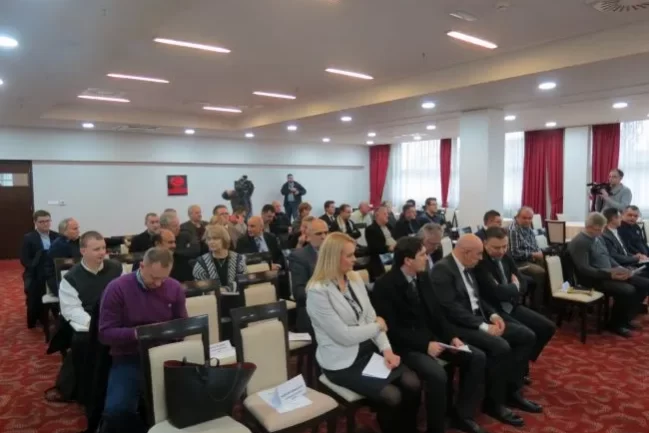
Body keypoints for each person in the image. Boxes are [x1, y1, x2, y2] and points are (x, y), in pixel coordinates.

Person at [306, 232, 421, 433]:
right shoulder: (317, 292)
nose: (355, 259)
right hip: (341, 361)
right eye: (349, 255)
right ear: (333, 258)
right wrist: (377, 326)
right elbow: (344, 336)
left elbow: (370, 316)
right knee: (392, 395)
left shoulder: (354, 278)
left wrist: (386, 350)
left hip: (366, 350)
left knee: (413, 383)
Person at [373, 237, 489, 433]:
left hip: (429, 337)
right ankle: (436, 428)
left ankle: (462, 414)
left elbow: (437, 314)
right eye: (422, 255)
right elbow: (391, 329)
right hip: (405, 345)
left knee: (476, 357)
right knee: (438, 375)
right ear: (408, 260)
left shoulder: (423, 277)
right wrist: (425, 345)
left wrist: (452, 337)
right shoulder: (385, 285)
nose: (427, 258)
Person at [432, 234, 540, 427]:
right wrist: (483, 326)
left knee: (526, 336)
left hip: (478, 319)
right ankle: (492, 403)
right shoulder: (442, 270)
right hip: (458, 326)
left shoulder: (468, 264)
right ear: (466, 253)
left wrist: (493, 315)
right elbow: (451, 308)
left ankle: (511, 391)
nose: (481, 258)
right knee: (500, 346)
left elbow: (477, 298)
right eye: (478, 254)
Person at [99, 247, 187, 431]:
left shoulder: (174, 287)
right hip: (130, 356)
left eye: (163, 278)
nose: (158, 283)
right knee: (117, 411)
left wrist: (171, 333)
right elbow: (105, 334)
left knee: (192, 400)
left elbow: (182, 325)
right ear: (141, 266)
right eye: (153, 277)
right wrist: (138, 334)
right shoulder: (117, 288)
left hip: (165, 354)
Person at [48, 231, 123, 402]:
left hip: (115, 318)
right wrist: (96, 324)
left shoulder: (116, 268)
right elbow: (71, 310)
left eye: (103, 248)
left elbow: (125, 295)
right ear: (83, 251)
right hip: (86, 322)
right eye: (96, 249)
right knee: (82, 341)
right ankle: (86, 390)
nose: (102, 252)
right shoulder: (71, 277)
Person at [474, 228, 556, 377]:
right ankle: (517, 370)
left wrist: (513, 288)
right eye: (496, 247)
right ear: (485, 244)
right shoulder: (480, 262)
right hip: (494, 310)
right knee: (527, 334)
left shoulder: (506, 256)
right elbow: (496, 293)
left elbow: (522, 282)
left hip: (511, 305)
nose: (501, 251)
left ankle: (520, 362)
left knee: (548, 327)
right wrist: (514, 287)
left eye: (504, 246)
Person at [567, 212, 646, 337]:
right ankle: (615, 324)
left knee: (644, 284)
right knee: (628, 290)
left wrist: (619, 268)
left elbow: (607, 257)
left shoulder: (597, 237)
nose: (602, 232)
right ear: (590, 227)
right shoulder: (581, 242)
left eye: (602, 229)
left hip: (608, 273)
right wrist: (610, 275)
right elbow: (584, 269)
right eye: (599, 229)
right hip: (593, 279)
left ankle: (625, 318)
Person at [289, 219, 329, 333]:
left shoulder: (335, 254)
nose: (324, 236)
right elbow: (299, 292)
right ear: (308, 237)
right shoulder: (299, 257)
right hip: (313, 311)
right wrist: (327, 293)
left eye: (326, 232)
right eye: (319, 233)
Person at [21, 210, 59, 328]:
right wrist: (35, 265)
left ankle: (57, 313)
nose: (45, 224)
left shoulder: (56, 236)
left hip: (52, 270)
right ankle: (36, 316)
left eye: (47, 221)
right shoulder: (29, 238)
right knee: (34, 290)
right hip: (34, 271)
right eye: (41, 222)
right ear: (35, 222)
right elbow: (25, 259)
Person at [508, 207, 547, 310]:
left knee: (551, 266)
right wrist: (534, 255)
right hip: (518, 263)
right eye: (524, 218)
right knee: (540, 272)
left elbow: (535, 245)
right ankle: (536, 307)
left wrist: (538, 253)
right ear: (517, 217)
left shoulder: (528, 228)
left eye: (530, 218)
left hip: (530, 259)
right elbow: (515, 253)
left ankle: (548, 301)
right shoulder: (513, 230)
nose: (527, 221)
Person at [192, 225, 247, 292]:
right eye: (209, 239)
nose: (211, 242)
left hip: (236, 296)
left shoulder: (239, 259)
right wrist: (216, 291)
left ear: (224, 239)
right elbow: (200, 286)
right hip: (211, 298)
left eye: (215, 239)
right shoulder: (201, 262)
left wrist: (226, 289)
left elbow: (243, 281)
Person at [365, 206, 397, 281]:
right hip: (381, 257)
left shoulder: (389, 226)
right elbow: (375, 248)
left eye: (387, 214)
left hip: (394, 253)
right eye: (385, 214)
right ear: (377, 215)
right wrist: (389, 248)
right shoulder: (371, 229)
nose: (387, 216)